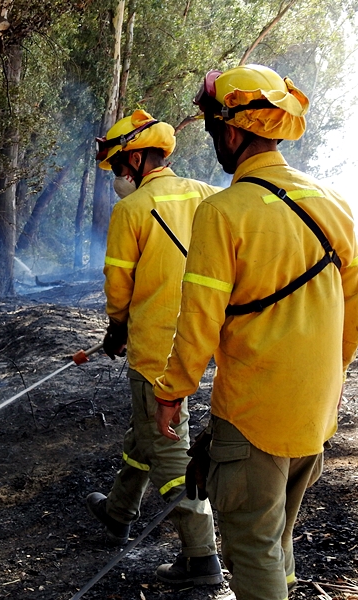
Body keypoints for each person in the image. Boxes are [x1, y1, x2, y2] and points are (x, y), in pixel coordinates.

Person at [153, 65, 358, 600]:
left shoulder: (223, 212)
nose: (213, 141)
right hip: (314, 414)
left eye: (212, 130)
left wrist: (172, 393)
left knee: (251, 548)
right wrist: (327, 384)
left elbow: (199, 321)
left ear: (231, 130)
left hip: (253, 418)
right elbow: (352, 316)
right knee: (278, 537)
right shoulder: (333, 204)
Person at [85, 108, 223, 585]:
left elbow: (118, 284)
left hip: (156, 349)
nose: (119, 177)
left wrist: (116, 331)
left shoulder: (131, 210)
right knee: (144, 432)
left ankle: (201, 558)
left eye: (122, 166)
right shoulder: (208, 196)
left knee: (168, 453)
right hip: (204, 341)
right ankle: (119, 513)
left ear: (141, 158)